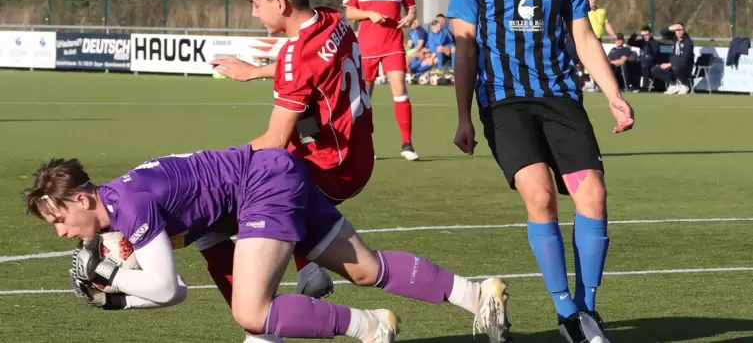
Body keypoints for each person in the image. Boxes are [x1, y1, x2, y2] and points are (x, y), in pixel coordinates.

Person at [24, 147, 511, 343]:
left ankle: (368, 327)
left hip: (259, 188)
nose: (63, 233)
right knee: (364, 269)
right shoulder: (116, 205)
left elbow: (170, 290)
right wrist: (119, 285)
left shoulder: (131, 206)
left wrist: (112, 286)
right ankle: (478, 295)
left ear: (84, 198)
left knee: (251, 312)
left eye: (62, 219)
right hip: (259, 184)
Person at [447, 0, 635, 343]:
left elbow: (584, 39)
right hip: (504, 101)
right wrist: (464, 115)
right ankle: (565, 309)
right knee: (541, 196)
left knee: (592, 194)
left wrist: (612, 91)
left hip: (559, 97)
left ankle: (586, 311)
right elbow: (465, 49)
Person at [207, 0, 377, 307]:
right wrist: (253, 71)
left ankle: (262, 320)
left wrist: (214, 164)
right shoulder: (332, 18)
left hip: (328, 167)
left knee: (214, 221)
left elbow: (274, 140)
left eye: (256, 3)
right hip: (356, 151)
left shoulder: (295, 57)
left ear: (281, 3)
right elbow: (312, 68)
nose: (254, 12)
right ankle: (308, 268)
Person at [343, 0, 420, 161]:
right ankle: (365, 143)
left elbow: (411, 8)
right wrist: (369, 14)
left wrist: (410, 17)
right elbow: (349, 12)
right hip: (366, 46)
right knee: (365, 96)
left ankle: (406, 144)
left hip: (393, 44)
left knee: (400, 90)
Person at [652, 22, 694, 94]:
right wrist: (670, 28)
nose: (679, 32)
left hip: (685, 67)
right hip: (674, 65)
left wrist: (670, 64)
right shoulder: (674, 37)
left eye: (681, 30)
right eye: (677, 30)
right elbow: (662, 32)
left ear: (684, 30)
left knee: (676, 66)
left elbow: (685, 59)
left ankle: (685, 84)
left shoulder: (688, 42)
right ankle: (673, 84)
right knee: (655, 69)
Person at [627, 26, 661, 91]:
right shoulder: (641, 42)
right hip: (642, 62)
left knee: (645, 62)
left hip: (651, 64)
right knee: (629, 63)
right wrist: (635, 34)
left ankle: (645, 85)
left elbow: (655, 54)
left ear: (650, 34)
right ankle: (633, 85)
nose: (645, 36)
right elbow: (630, 43)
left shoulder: (654, 43)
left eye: (647, 35)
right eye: (643, 35)